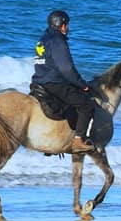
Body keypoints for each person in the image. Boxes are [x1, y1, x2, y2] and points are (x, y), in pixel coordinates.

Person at [32, 10, 96, 152]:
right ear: (61, 25)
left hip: (39, 81)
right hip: (54, 83)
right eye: (66, 25)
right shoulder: (58, 40)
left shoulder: (43, 39)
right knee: (87, 105)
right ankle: (78, 140)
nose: (67, 28)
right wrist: (82, 84)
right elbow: (66, 68)